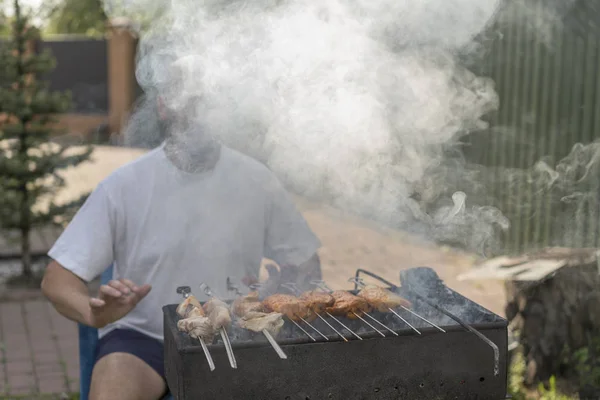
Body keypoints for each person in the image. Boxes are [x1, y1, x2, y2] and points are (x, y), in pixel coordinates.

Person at [40, 89, 322, 400]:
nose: (196, 111)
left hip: (233, 334)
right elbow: (57, 278)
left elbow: (306, 262)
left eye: (205, 98)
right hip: (142, 339)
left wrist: (282, 288)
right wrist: (95, 315)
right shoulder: (124, 184)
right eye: (185, 97)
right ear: (163, 105)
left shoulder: (257, 180)